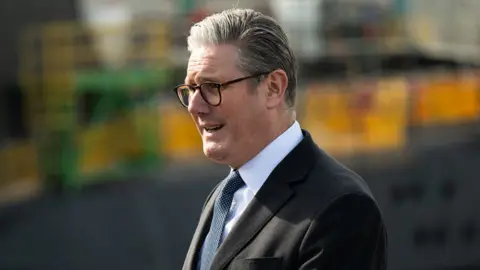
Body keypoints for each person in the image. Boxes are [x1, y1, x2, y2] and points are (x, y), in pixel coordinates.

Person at [175, 8, 387, 270]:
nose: (195, 106)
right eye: (191, 89)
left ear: (273, 88)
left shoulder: (341, 206)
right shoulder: (223, 197)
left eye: (211, 87)